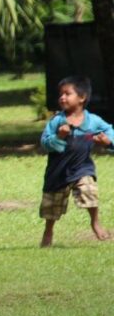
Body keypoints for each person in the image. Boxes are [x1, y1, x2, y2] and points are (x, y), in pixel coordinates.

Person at [39, 76, 113, 247]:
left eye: (67, 93)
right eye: (61, 94)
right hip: (57, 173)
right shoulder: (57, 121)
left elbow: (110, 130)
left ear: (82, 98)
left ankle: (95, 222)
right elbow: (45, 143)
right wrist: (59, 136)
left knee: (90, 192)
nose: (62, 97)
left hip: (82, 168)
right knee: (52, 207)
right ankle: (48, 230)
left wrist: (108, 142)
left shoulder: (93, 121)